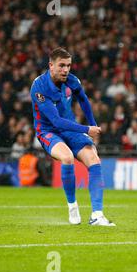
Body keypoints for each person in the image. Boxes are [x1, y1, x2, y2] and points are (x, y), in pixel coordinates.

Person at [30, 47, 115, 226]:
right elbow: (56, 120)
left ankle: (97, 215)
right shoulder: (39, 87)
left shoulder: (72, 80)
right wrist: (86, 128)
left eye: (68, 65)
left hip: (71, 129)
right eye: (61, 66)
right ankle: (72, 205)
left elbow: (83, 100)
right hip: (48, 130)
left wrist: (93, 126)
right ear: (51, 66)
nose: (66, 70)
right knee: (67, 157)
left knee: (94, 159)